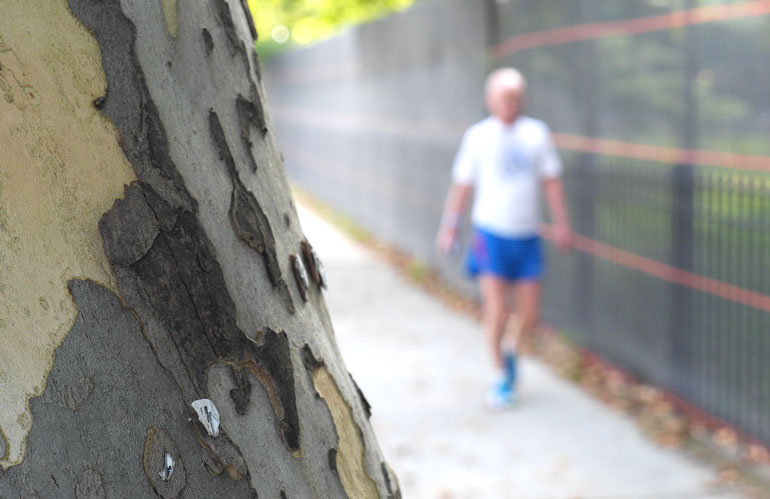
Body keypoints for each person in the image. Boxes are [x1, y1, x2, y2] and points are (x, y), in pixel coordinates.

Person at [437, 67, 572, 409]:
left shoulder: (536, 134)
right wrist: (450, 224)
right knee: (497, 306)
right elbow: (462, 185)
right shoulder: (478, 137)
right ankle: (499, 376)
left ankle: (511, 348)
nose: (510, 104)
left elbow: (551, 182)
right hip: (490, 235)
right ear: (490, 100)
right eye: (504, 98)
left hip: (527, 236)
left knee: (529, 310)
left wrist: (561, 224)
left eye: (516, 98)